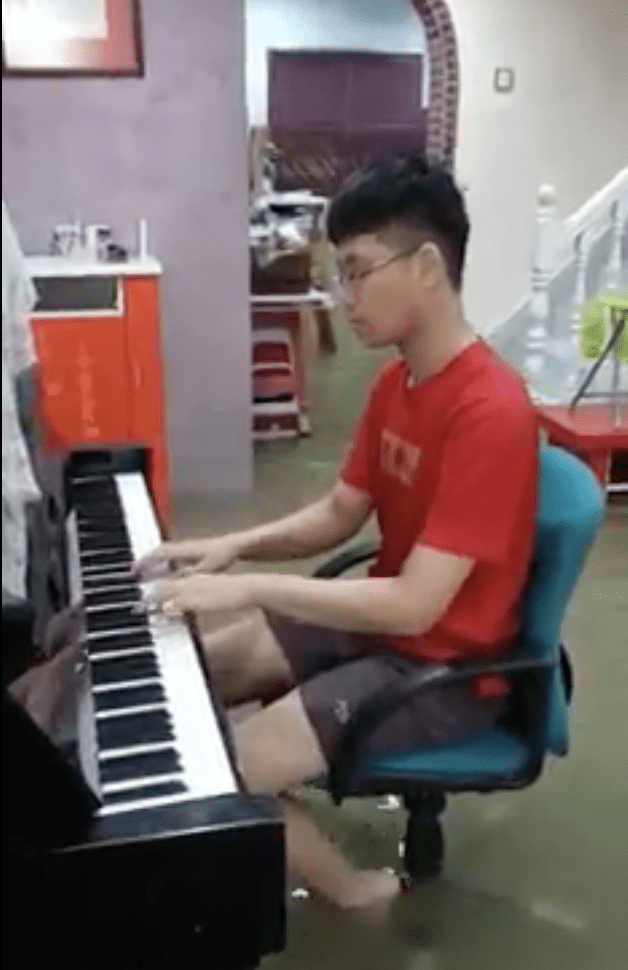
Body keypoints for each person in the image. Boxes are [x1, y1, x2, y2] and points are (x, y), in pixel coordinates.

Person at [139, 157, 538, 911]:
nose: (340, 295)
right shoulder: (398, 381)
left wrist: (246, 586)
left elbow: (418, 608)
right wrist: (234, 546)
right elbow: (338, 514)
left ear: (426, 266)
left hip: (446, 667)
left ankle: (359, 896)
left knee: (215, 769)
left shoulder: (491, 410)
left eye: (356, 271)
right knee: (183, 675)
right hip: (381, 630)